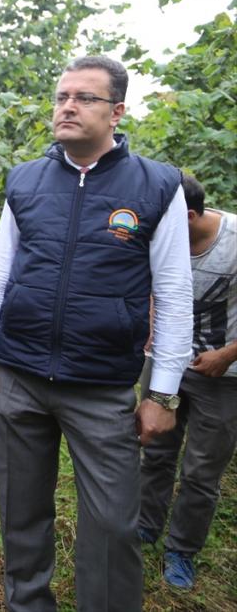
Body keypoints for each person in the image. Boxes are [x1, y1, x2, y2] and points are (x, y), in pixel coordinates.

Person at [0, 55, 193, 611]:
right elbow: (0, 271)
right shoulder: (26, 181)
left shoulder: (156, 187)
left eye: (83, 98)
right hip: (21, 378)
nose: (67, 106)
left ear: (116, 111)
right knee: (20, 512)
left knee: (113, 524)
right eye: (61, 96)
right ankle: (28, 604)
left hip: (101, 387)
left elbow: (174, 292)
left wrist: (162, 392)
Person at [138, 173, 237, 589]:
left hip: (225, 374)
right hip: (165, 365)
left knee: (201, 471)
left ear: (190, 216)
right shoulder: (157, 231)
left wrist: (227, 355)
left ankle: (182, 550)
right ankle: (145, 527)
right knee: (155, 451)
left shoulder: (233, 241)